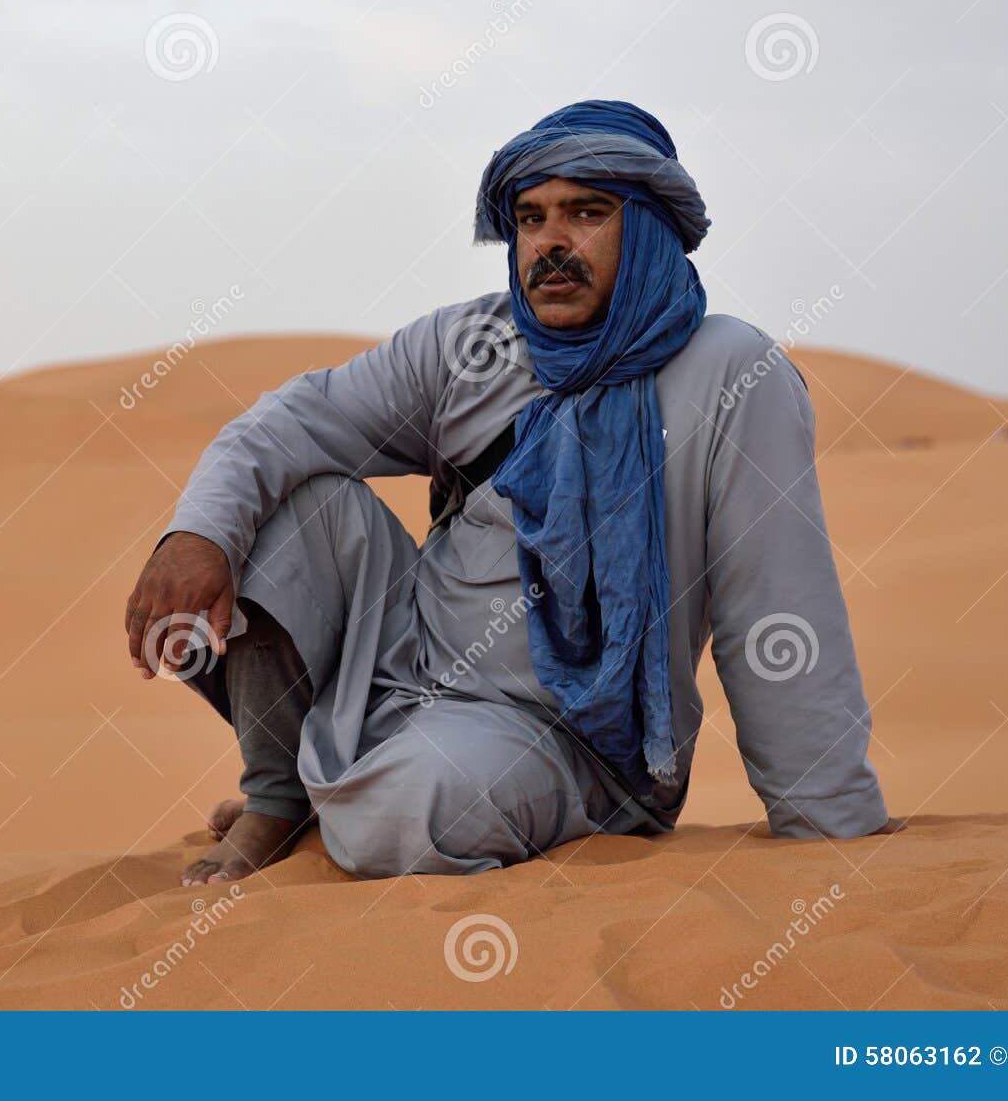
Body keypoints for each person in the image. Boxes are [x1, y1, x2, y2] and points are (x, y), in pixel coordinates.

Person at [123, 100, 900, 887]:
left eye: (587, 213)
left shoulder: (730, 371)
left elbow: (776, 604)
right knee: (277, 504)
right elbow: (294, 419)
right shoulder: (473, 346)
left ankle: (350, 795)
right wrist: (197, 535)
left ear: (653, 227)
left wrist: (827, 825)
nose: (552, 243)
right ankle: (281, 796)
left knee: (409, 809)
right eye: (530, 218)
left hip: (564, 737)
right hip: (397, 665)